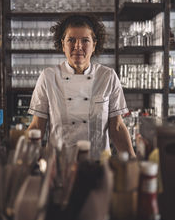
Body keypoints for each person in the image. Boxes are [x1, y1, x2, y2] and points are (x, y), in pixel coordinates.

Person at [28, 13, 136, 159]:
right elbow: (37, 127)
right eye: (71, 40)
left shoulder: (107, 76)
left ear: (94, 45)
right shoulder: (48, 77)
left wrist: (132, 159)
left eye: (85, 40)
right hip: (59, 165)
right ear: (63, 44)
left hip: (98, 165)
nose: (78, 46)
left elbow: (116, 127)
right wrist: (23, 158)